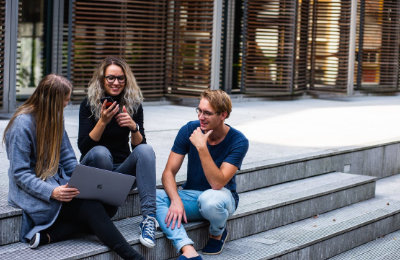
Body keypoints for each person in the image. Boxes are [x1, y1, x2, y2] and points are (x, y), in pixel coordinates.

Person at [4, 74, 144, 260]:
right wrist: (52, 191)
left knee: (107, 203)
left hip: (58, 183)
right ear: (52, 101)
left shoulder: (55, 118)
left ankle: (52, 235)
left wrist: (83, 182)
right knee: (92, 207)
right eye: (65, 101)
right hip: (34, 192)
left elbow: (69, 159)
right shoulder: (21, 125)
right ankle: (133, 257)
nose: (66, 105)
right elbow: (20, 174)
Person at [156, 89, 249, 260]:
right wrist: (176, 201)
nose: (201, 117)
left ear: (223, 115)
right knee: (154, 196)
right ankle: (187, 249)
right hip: (192, 195)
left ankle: (217, 233)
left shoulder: (239, 141)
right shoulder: (189, 129)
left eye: (207, 113)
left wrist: (202, 147)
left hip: (222, 198)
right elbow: (168, 172)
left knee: (210, 200)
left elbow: (217, 184)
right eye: (199, 110)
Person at [78, 56, 158, 248]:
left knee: (146, 150)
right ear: (102, 79)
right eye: (110, 78)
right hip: (95, 170)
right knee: (101, 153)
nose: (116, 82)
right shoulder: (88, 104)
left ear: (126, 79)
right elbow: (84, 147)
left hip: (121, 173)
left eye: (120, 78)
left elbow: (140, 149)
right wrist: (103, 121)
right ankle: (101, 212)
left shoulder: (133, 104)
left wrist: (134, 127)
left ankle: (149, 219)